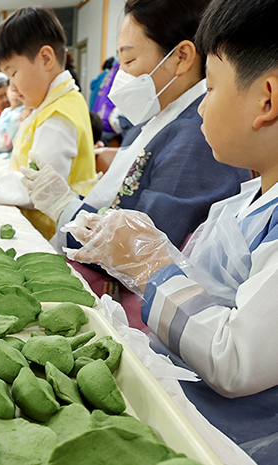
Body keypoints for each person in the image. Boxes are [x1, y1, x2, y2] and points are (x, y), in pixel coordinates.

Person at [65, 1, 278, 461]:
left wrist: (152, 266)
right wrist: (161, 256)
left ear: (266, 101)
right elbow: (214, 291)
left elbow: (235, 357)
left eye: (213, 87)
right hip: (189, 400)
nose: (201, 104)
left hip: (232, 440)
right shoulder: (247, 201)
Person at [22, 0, 252, 323]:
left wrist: (65, 207)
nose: (120, 76)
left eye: (128, 60)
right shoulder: (157, 119)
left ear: (182, 57)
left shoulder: (197, 136)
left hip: (146, 316)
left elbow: (137, 250)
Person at [0, 7, 97, 240]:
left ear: (45, 58)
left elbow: (37, 190)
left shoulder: (57, 116)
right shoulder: (56, 103)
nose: (13, 87)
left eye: (13, 73)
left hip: (51, 236)